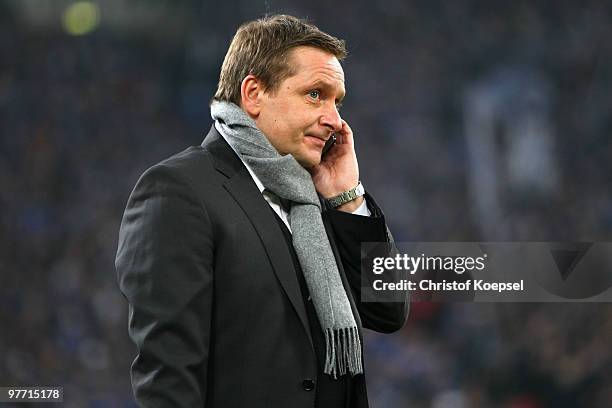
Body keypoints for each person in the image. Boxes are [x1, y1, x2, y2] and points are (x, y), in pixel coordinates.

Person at [116, 14, 409, 408]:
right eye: (314, 94)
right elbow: (169, 380)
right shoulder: (179, 191)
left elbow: (389, 311)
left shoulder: (316, 198)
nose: (335, 121)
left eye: (337, 101)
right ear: (253, 93)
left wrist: (348, 198)